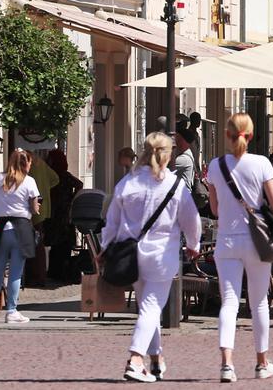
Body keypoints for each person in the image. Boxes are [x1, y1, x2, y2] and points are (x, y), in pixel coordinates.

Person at [101, 132, 201, 382]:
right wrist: (194, 244)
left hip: (130, 254)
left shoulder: (128, 182)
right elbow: (191, 219)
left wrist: (105, 247)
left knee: (147, 308)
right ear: (169, 155)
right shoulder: (174, 185)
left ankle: (156, 359)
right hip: (161, 255)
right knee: (150, 307)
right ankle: (136, 359)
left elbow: (112, 220)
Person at [206, 112, 273, 381]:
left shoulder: (215, 166)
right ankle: (262, 363)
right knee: (259, 302)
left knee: (229, 303)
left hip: (226, 240)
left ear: (227, 135)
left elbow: (214, 210)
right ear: (250, 136)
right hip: (256, 240)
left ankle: (227, 364)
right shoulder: (261, 163)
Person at [0, 149, 40, 324]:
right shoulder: (29, 181)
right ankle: (11, 310)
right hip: (20, 227)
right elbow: (34, 208)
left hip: (1, 227)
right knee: (15, 272)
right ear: (26, 164)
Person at [45, 149, 83, 282]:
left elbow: (79, 184)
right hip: (63, 211)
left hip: (57, 211)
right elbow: (79, 184)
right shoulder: (64, 175)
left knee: (58, 242)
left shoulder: (53, 174)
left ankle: (57, 271)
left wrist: (72, 198)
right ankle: (60, 271)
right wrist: (72, 198)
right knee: (62, 242)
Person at [26, 152, 58, 287]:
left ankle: (37, 276)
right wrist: (45, 189)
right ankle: (40, 275)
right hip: (42, 205)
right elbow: (56, 179)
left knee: (34, 242)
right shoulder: (43, 165)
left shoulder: (29, 169)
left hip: (32, 208)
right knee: (38, 241)